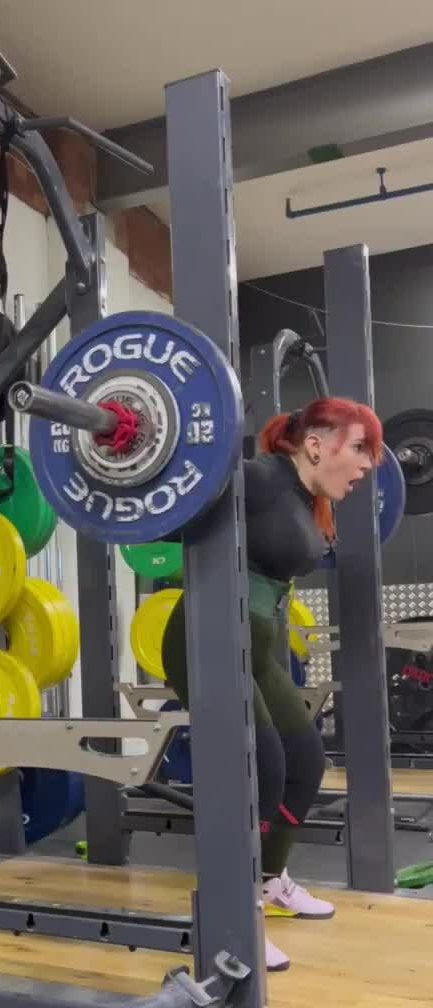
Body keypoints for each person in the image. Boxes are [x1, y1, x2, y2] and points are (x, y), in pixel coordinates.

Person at [161, 397, 383, 971]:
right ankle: (232, 914)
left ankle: (268, 881)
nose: (366, 465)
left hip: (255, 645)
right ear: (315, 445)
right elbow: (173, 509)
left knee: (306, 760)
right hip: (208, 638)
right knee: (263, 768)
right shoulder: (260, 478)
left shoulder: (306, 498)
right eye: (360, 448)